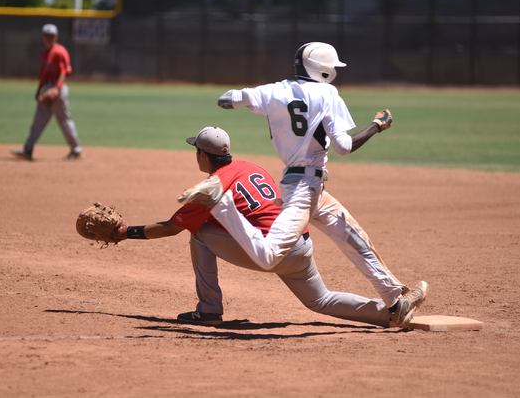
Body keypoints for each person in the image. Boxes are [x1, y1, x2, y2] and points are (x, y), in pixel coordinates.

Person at [178, 43, 428, 326]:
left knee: (354, 237)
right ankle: (221, 204)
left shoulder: (274, 90)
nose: (334, 71)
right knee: (270, 255)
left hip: (308, 186)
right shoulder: (327, 93)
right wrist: (375, 127)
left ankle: (396, 299)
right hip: (302, 190)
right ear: (322, 70)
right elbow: (344, 146)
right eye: (332, 67)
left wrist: (249, 97)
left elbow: (226, 100)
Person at [113, 126, 425, 328]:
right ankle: (389, 312)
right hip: (299, 243)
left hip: (267, 250)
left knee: (198, 232)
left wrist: (125, 232)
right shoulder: (252, 167)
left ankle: (209, 309)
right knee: (320, 300)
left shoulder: (210, 186)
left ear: (202, 155)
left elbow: (170, 227)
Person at [11, 23, 82, 161]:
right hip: (46, 88)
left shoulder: (59, 51)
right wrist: (38, 91)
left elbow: (63, 72)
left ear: (56, 37)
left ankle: (76, 149)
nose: (49, 38)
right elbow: (43, 75)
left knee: (64, 120)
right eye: (46, 35)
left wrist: (57, 88)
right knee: (38, 121)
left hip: (57, 89)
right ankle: (27, 150)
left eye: (51, 36)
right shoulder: (45, 53)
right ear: (43, 36)